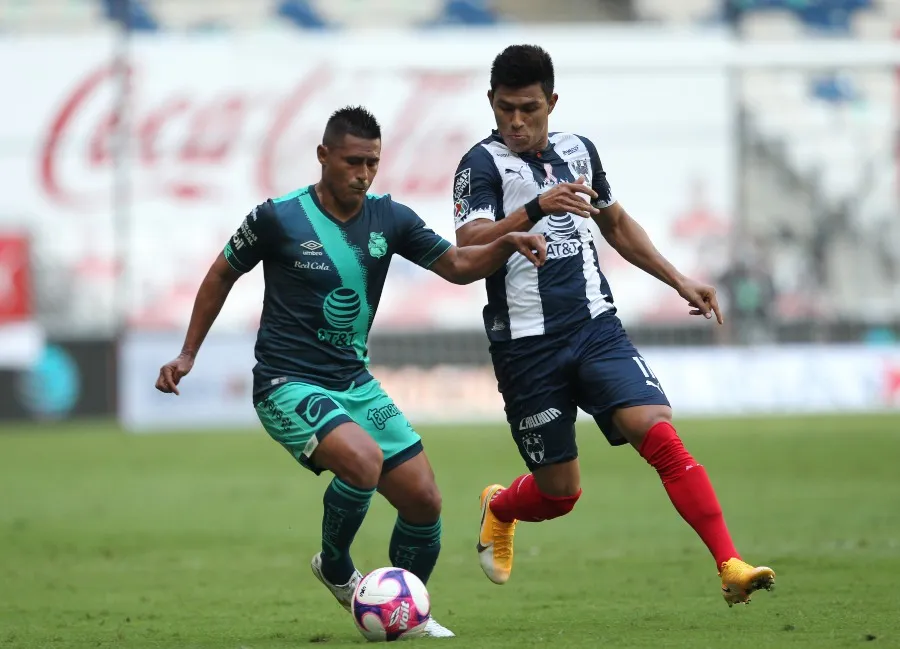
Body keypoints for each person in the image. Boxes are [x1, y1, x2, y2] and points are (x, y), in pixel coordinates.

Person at [155, 105, 547, 636]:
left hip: (353, 382)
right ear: (323, 156)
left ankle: (401, 610)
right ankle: (337, 568)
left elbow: (457, 267)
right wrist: (188, 352)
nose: (363, 174)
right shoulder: (277, 216)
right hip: (285, 382)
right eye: (353, 162)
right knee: (361, 462)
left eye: (373, 163)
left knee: (425, 502)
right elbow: (221, 273)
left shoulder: (391, 217)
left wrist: (504, 242)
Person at [453, 45, 775, 607]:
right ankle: (501, 507)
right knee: (560, 494)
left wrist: (679, 279)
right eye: (505, 108)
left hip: (595, 328)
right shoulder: (480, 165)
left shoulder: (580, 152)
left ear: (552, 102)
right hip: (526, 347)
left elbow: (616, 223)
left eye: (529, 108)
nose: (516, 121)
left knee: (657, 431)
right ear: (491, 102)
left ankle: (730, 563)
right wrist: (532, 212)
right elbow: (468, 245)